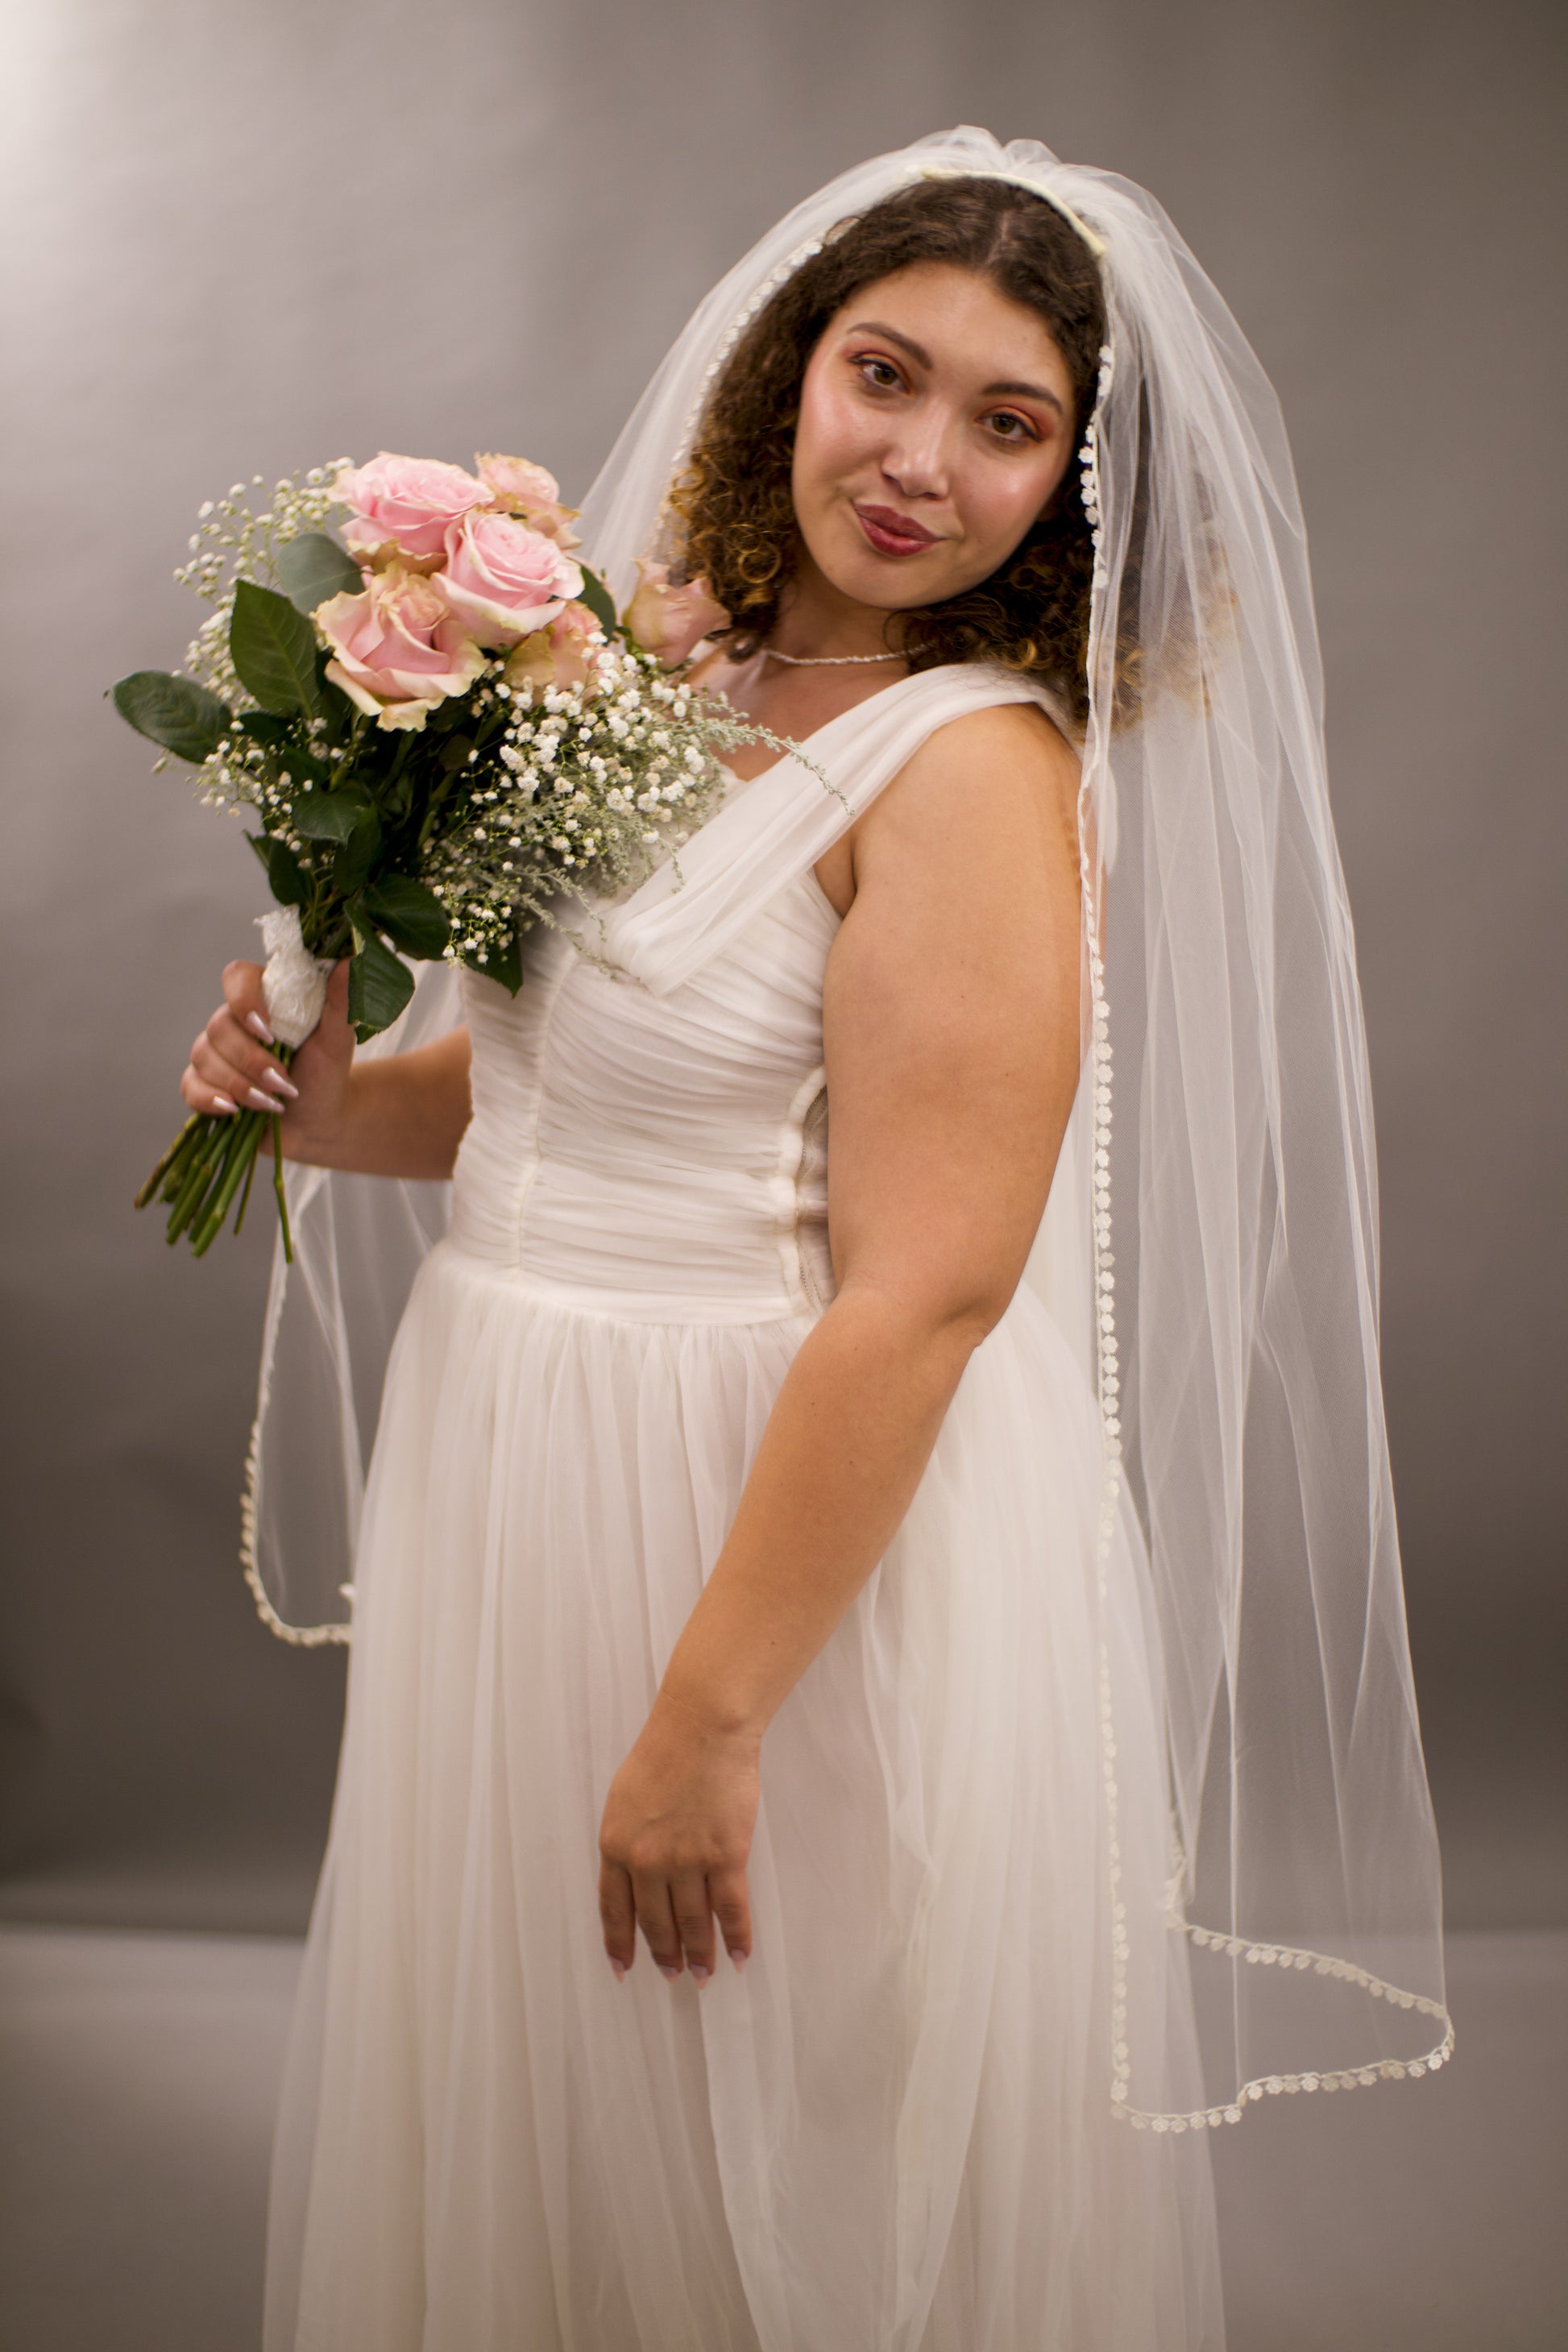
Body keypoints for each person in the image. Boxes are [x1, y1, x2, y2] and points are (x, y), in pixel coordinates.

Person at [181, 130, 1450, 2352]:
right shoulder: (662, 668)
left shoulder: (969, 773)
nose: (915, 461)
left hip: (753, 1522)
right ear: (792, 366)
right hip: (520, 1455)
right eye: (885, 373)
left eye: (1006, 423)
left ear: (1070, 488)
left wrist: (708, 1715)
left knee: (762, 2138)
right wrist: (313, 1101)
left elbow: (930, 1285)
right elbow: (556, 1101)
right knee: (552, 2118)